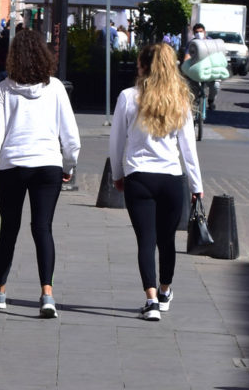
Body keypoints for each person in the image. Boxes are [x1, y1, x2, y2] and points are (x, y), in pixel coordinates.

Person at [0, 29, 81, 318]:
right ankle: (47, 294)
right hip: (48, 165)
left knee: (9, 227)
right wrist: (68, 165)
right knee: (42, 228)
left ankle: (0, 290)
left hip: (13, 165)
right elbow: (71, 136)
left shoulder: (4, 90)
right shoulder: (56, 88)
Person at [108, 43, 203, 321]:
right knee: (167, 239)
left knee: (145, 240)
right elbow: (188, 148)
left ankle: (150, 300)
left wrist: (117, 174)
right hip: (172, 178)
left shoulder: (128, 97)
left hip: (139, 177)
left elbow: (117, 142)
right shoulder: (180, 99)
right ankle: (164, 291)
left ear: (143, 66)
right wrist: (196, 185)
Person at [188, 23, 220, 110]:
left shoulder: (211, 42)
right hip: (196, 71)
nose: (199, 33)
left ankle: (211, 100)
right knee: (189, 88)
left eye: (201, 31)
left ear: (204, 32)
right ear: (194, 33)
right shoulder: (191, 43)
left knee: (216, 85)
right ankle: (193, 107)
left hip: (209, 71)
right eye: (197, 32)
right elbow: (187, 56)